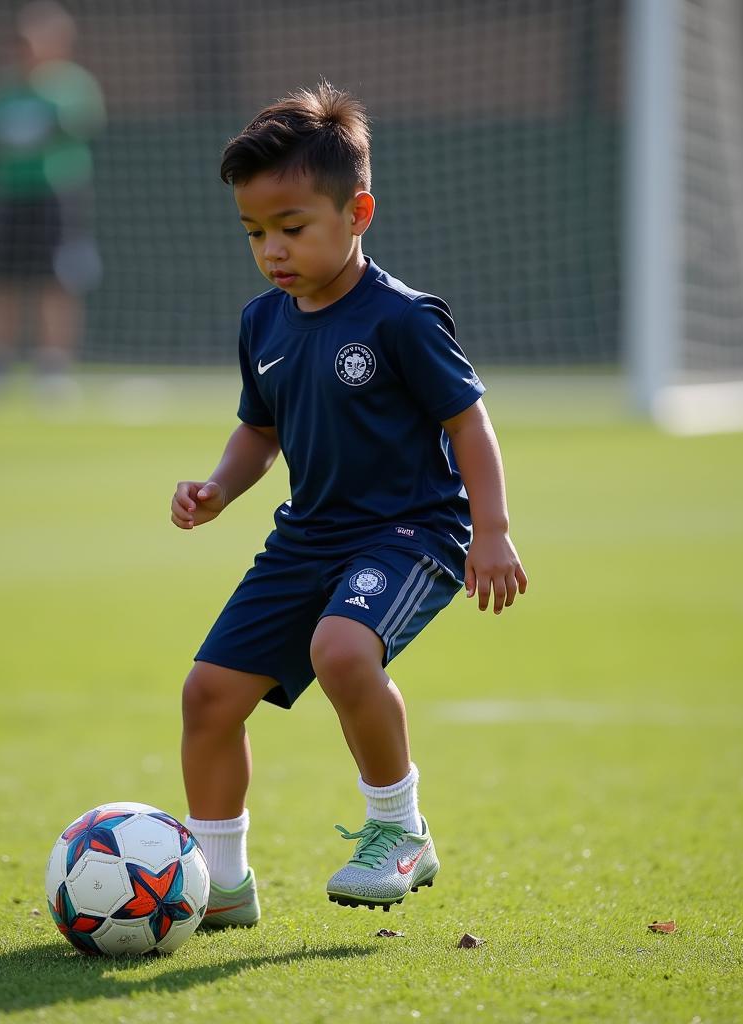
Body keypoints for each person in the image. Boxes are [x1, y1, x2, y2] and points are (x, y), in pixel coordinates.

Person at [170, 83, 528, 927]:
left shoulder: (402, 318)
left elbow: (468, 421)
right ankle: (220, 886)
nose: (273, 251)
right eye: (255, 233)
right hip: (308, 537)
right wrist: (221, 486)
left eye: (292, 228)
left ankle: (398, 833)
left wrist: (493, 531)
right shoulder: (263, 323)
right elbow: (259, 432)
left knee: (339, 650)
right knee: (208, 697)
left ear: (357, 211)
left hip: (412, 533)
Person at [0, 1, 105, 396]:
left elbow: (82, 126)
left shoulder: (73, 87)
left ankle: (52, 368)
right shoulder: (1, 89)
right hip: (9, 194)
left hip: (57, 195)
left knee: (57, 278)